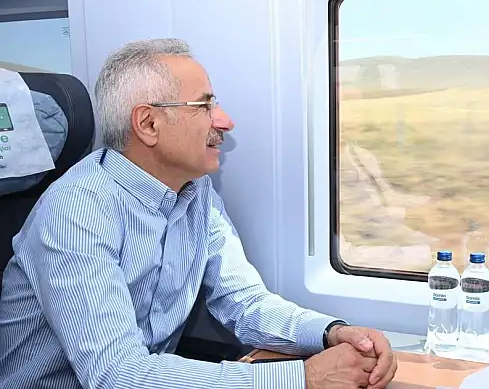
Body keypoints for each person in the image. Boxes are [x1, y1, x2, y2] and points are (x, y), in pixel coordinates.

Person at [0, 39, 397, 389]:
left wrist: (332, 332)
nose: (225, 121)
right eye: (205, 105)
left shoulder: (195, 191)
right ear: (148, 123)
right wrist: (304, 379)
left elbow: (244, 302)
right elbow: (118, 376)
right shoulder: (75, 212)